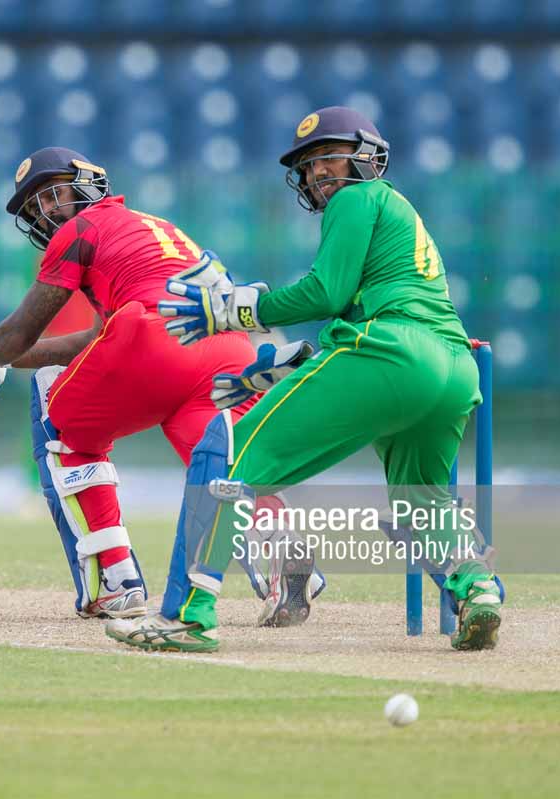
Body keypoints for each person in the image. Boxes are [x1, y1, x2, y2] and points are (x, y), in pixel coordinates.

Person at [105, 106, 504, 653]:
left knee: (224, 450)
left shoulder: (357, 198)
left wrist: (237, 310)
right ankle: (478, 590)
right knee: (421, 501)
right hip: (455, 367)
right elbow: (353, 297)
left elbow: (326, 292)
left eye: (329, 157)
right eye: (310, 165)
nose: (318, 173)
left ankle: (189, 616)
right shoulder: (398, 210)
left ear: (366, 157)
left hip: (391, 351)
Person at [0, 146, 321, 622]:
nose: (46, 211)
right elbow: (96, 338)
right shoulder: (156, 227)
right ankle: (284, 554)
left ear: (87, 184)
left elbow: (24, 329)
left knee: (58, 413)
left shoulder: (80, 230)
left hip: (153, 338)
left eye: (53, 194)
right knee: (225, 469)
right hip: (227, 348)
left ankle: (113, 580)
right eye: (36, 206)